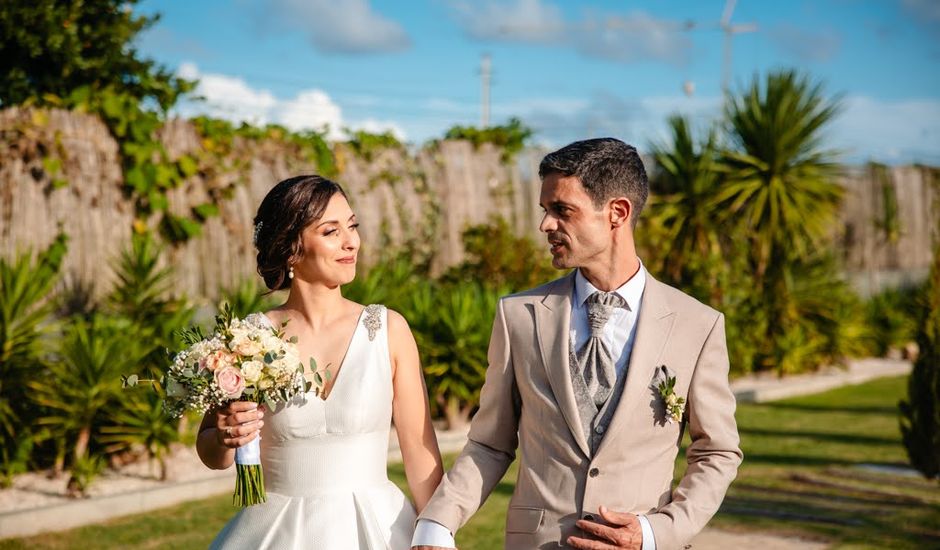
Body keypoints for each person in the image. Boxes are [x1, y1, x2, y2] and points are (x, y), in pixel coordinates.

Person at [412, 138, 742, 550]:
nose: (546, 226)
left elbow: (717, 452)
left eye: (562, 211)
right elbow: (489, 442)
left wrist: (658, 532)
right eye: (545, 211)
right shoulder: (519, 315)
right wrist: (438, 523)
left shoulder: (698, 324)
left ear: (617, 213)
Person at [198, 175, 444, 549]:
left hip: (381, 530)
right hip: (276, 531)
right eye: (331, 231)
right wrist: (225, 435)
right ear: (291, 248)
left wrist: (436, 533)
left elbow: (420, 452)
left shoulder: (388, 329)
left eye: (353, 226)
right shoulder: (248, 339)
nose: (351, 242)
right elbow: (213, 454)